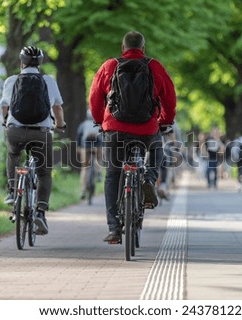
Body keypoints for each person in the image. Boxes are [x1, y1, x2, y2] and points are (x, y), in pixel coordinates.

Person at [89, 31, 176, 242]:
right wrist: (165, 120)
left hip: (115, 130)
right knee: (157, 149)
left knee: (112, 174)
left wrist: (101, 120)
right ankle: (148, 179)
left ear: (122, 48)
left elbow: (94, 96)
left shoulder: (110, 66)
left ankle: (114, 228)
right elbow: (170, 97)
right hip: (146, 129)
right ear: (143, 49)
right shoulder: (154, 66)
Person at [0, 46, 66, 235]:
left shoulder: (11, 80)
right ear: (40, 63)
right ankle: (40, 212)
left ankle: (13, 190)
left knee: (13, 154)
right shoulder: (48, 81)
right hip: (41, 132)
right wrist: (60, 125)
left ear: (21, 62)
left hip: (16, 131)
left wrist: (6, 122)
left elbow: (5, 106)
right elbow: (58, 109)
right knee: (44, 172)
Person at [76, 109, 102, 200]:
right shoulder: (98, 124)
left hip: (85, 146)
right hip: (97, 146)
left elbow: (79, 136)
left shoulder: (83, 125)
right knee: (98, 159)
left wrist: (78, 147)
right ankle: (98, 173)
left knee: (84, 168)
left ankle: (82, 190)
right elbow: (102, 137)